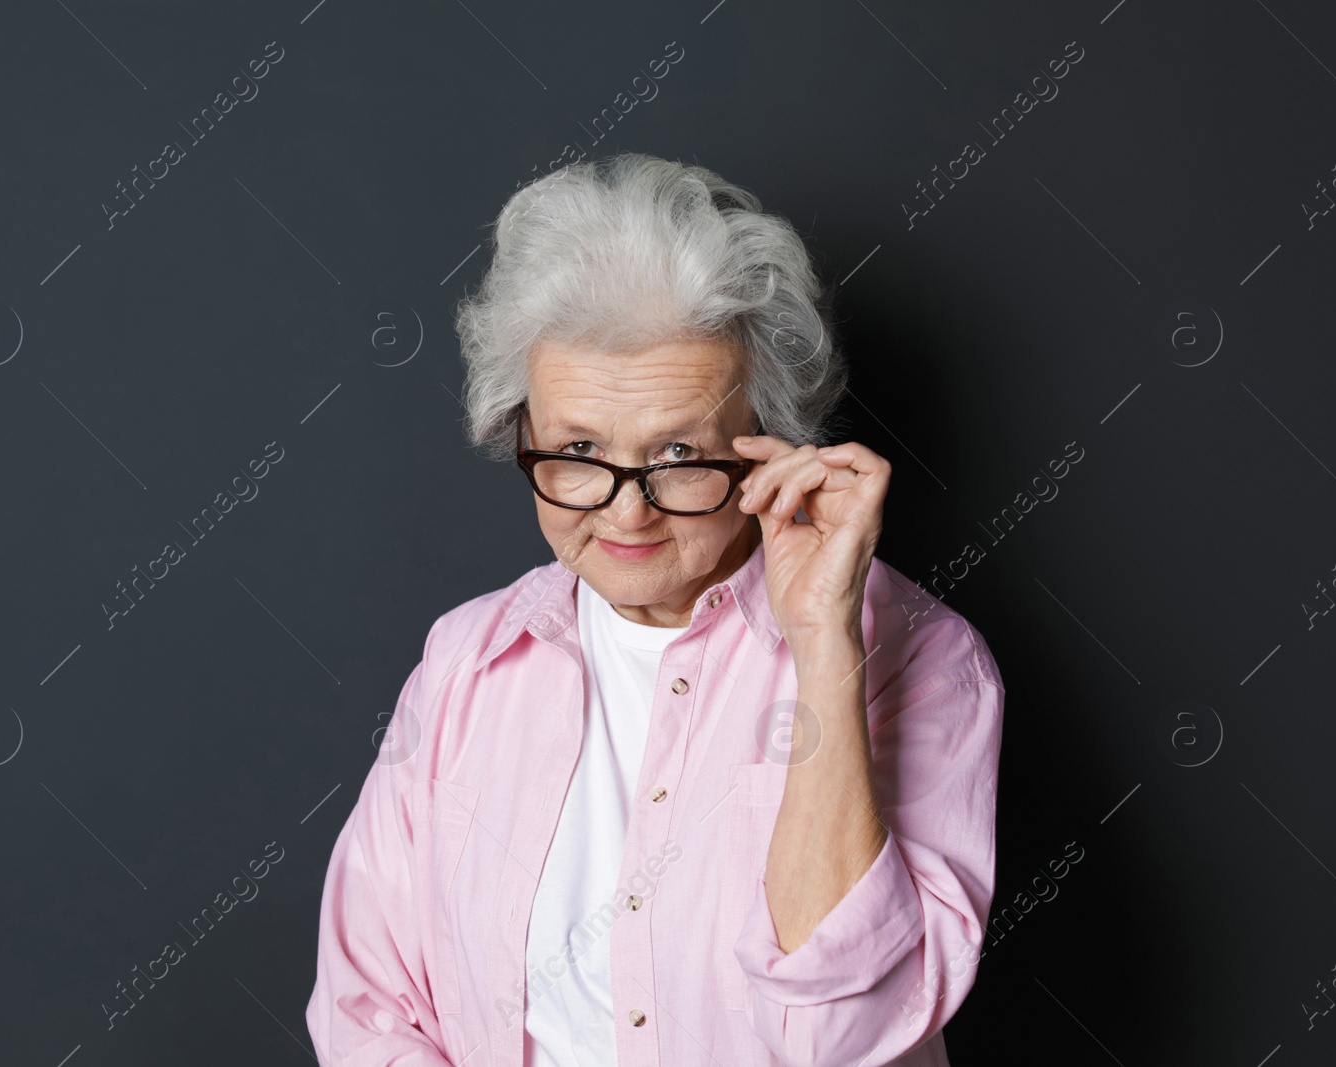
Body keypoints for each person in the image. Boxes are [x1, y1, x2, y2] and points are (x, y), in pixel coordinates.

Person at [304, 152, 1004, 1066]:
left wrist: (826, 644)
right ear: (521, 433)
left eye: (679, 452)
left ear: (769, 444)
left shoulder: (926, 659)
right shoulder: (469, 657)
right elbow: (365, 1002)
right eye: (578, 449)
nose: (626, 510)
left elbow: (851, 1034)